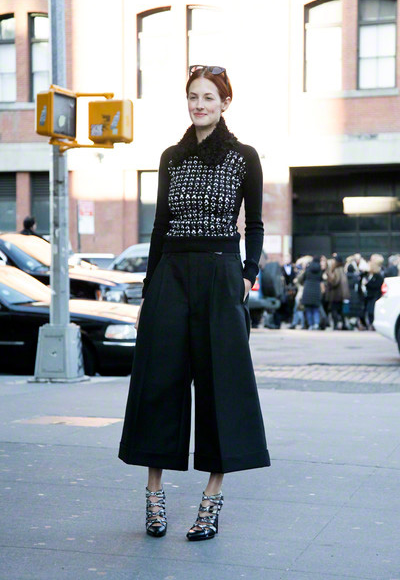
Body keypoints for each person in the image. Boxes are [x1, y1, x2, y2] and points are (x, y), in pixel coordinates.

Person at [118, 65, 271, 541]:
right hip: (171, 277)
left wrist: (247, 275)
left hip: (222, 275)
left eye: (208, 97)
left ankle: (211, 502)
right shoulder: (170, 158)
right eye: (193, 96)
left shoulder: (244, 157)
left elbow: (255, 224)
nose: (199, 104)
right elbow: (159, 228)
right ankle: (154, 496)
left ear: (225, 103)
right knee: (158, 382)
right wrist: (149, 291)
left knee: (220, 385)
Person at [326, 255, 350, 330]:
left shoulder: (336, 270)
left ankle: (336, 325)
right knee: (341, 310)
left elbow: (335, 282)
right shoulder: (342, 269)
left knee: (334, 310)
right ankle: (344, 324)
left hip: (336, 294)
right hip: (342, 294)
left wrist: (329, 276)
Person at [301, 256, 323, 330]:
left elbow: (303, 278)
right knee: (316, 309)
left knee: (308, 309)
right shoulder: (320, 270)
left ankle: (310, 324)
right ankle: (316, 324)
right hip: (316, 290)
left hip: (307, 290)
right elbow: (321, 279)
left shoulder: (308, 268)